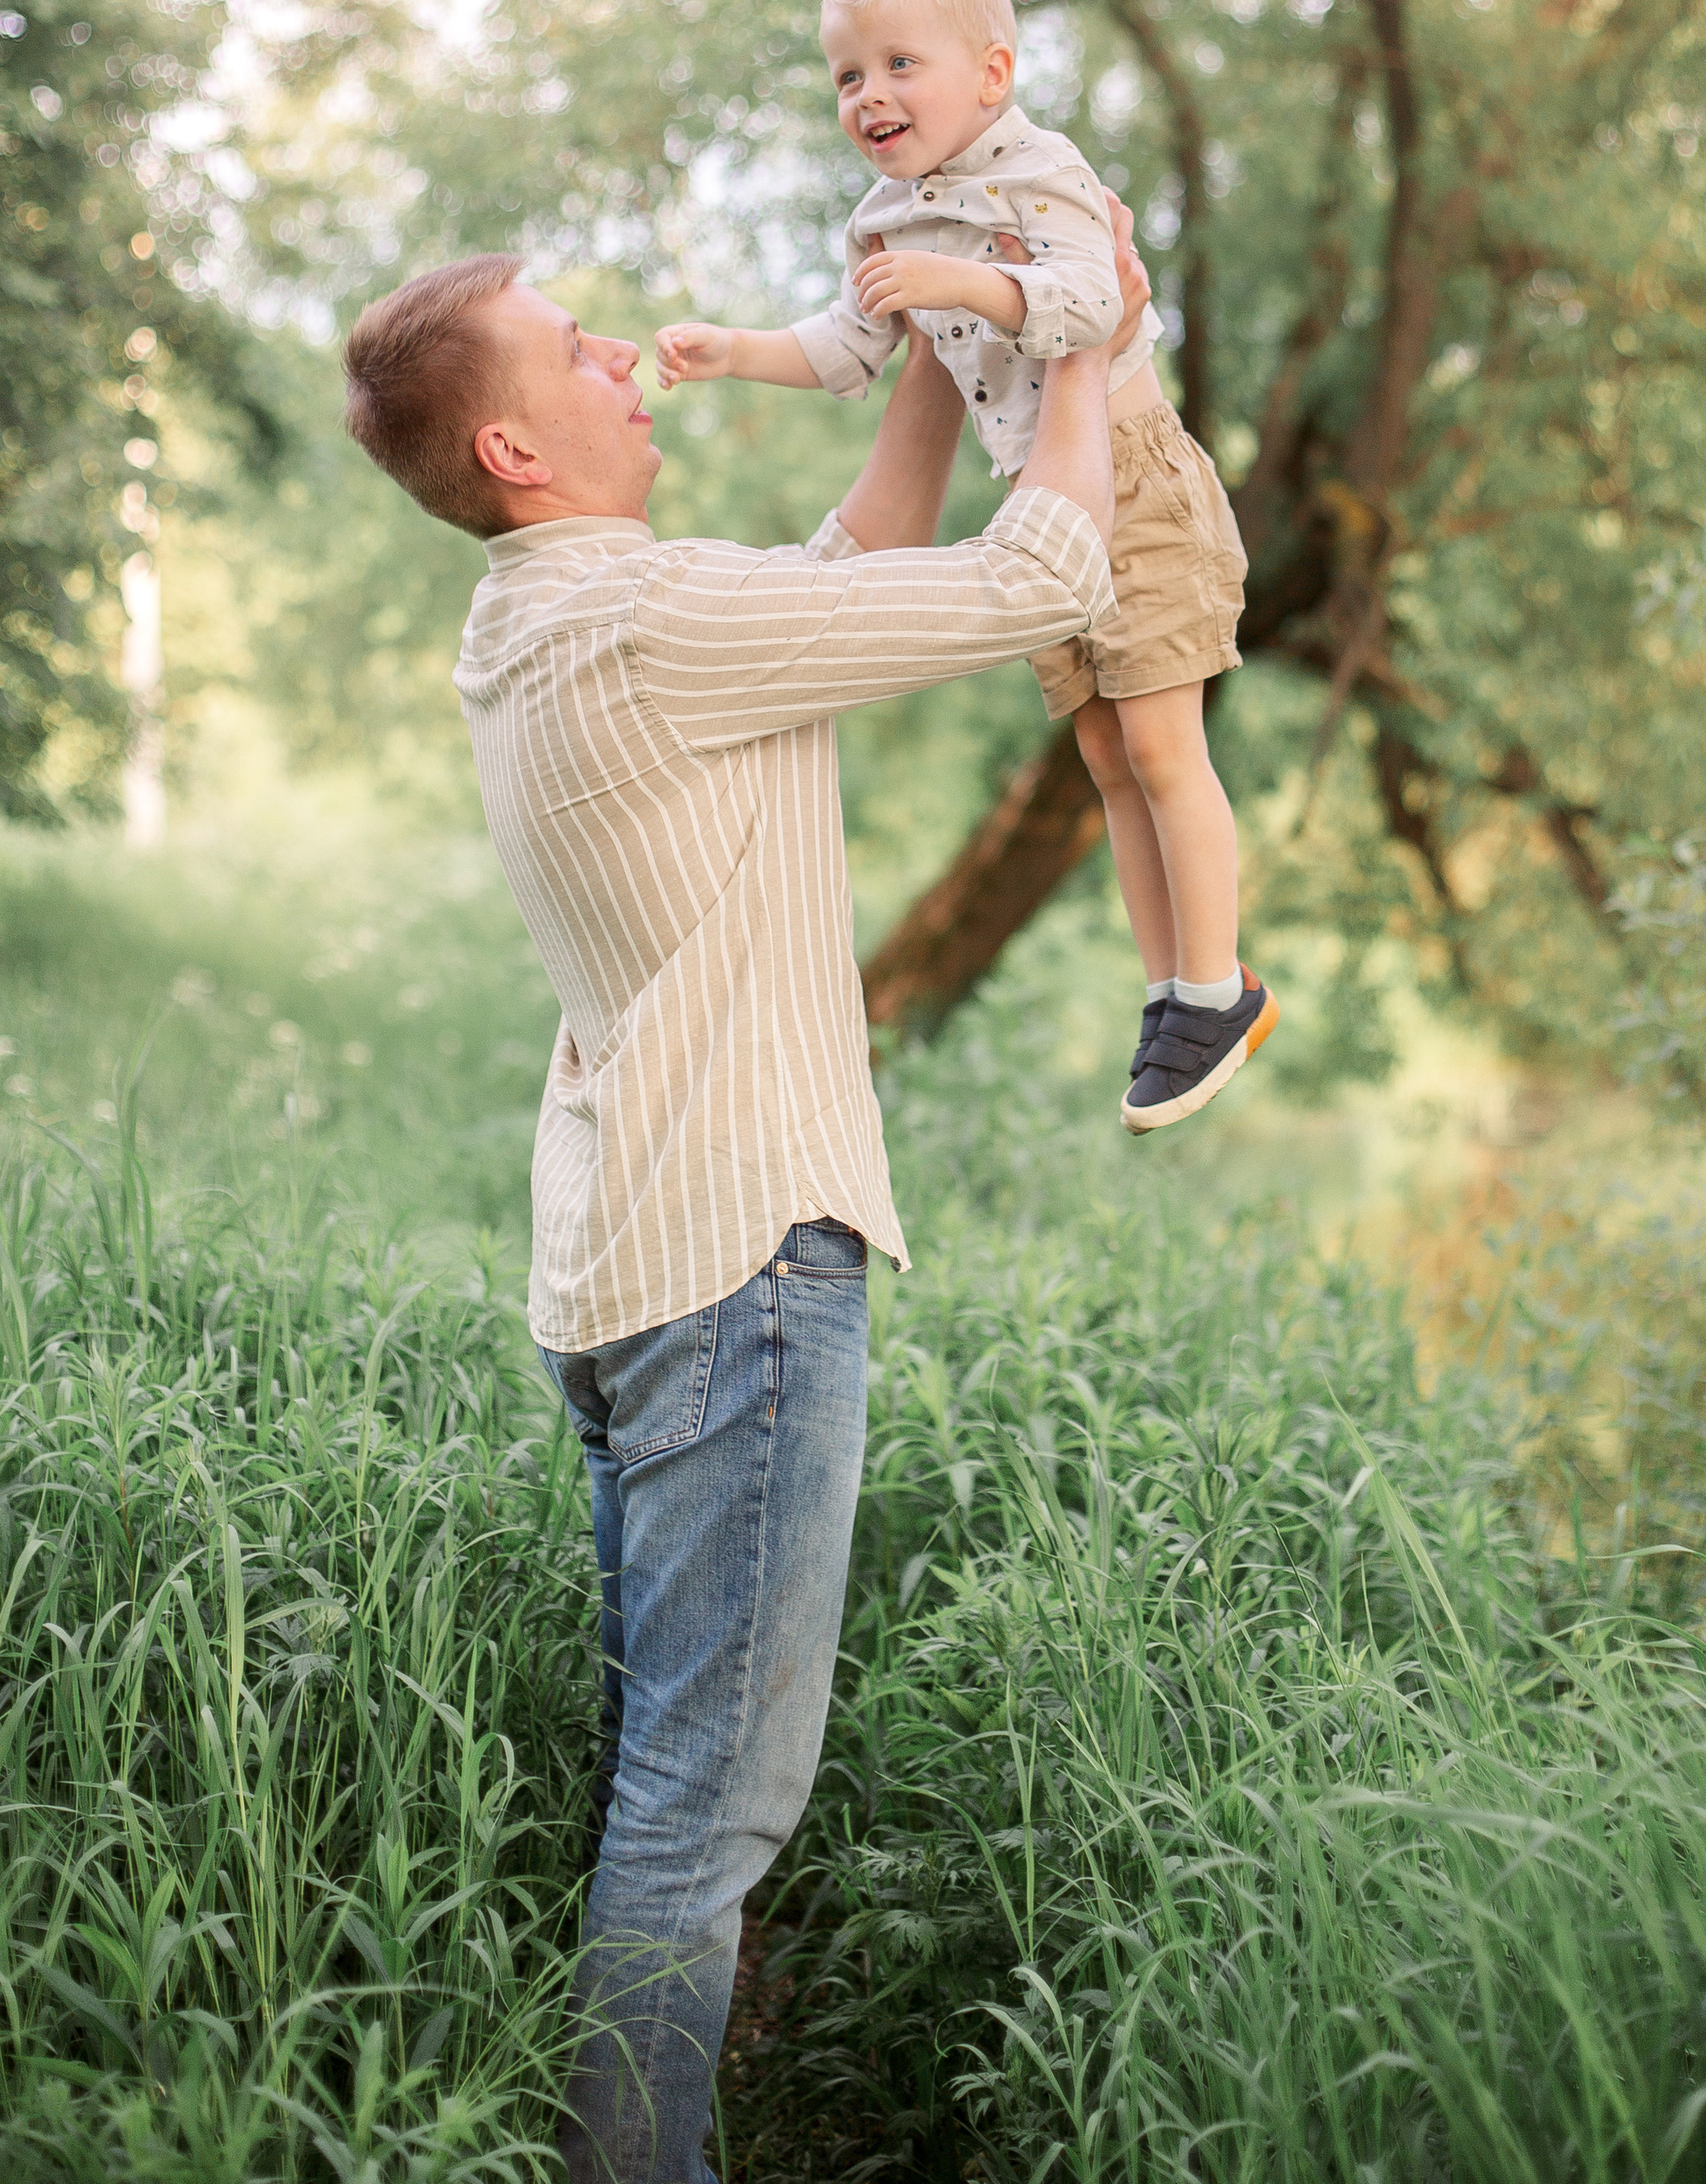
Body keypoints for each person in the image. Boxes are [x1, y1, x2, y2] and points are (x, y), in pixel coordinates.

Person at [339, 230, 1137, 2184]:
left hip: (635, 1261)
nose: (625, 357)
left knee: (668, 1792)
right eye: (576, 350)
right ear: (515, 447)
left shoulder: (553, 619)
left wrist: (941, 340)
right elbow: (1049, 575)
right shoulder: (646, 618)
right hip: (739, 1266)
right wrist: (1078, 334)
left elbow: (849, 564)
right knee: (702, 1821)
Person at [654, 0, 1278, 1130]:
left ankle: (1217, 987)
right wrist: (737, 350)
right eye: (848, 76)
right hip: (1045, 504)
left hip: (1137, 483)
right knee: (1104, 756)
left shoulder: (1040, 172)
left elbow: (1095, 302)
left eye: (901, 65)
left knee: (1160, 744)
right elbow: (847, 348)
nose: (870, 95)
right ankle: (1170, 990)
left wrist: (964, 285)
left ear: (991, 75)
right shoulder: (883, 220)